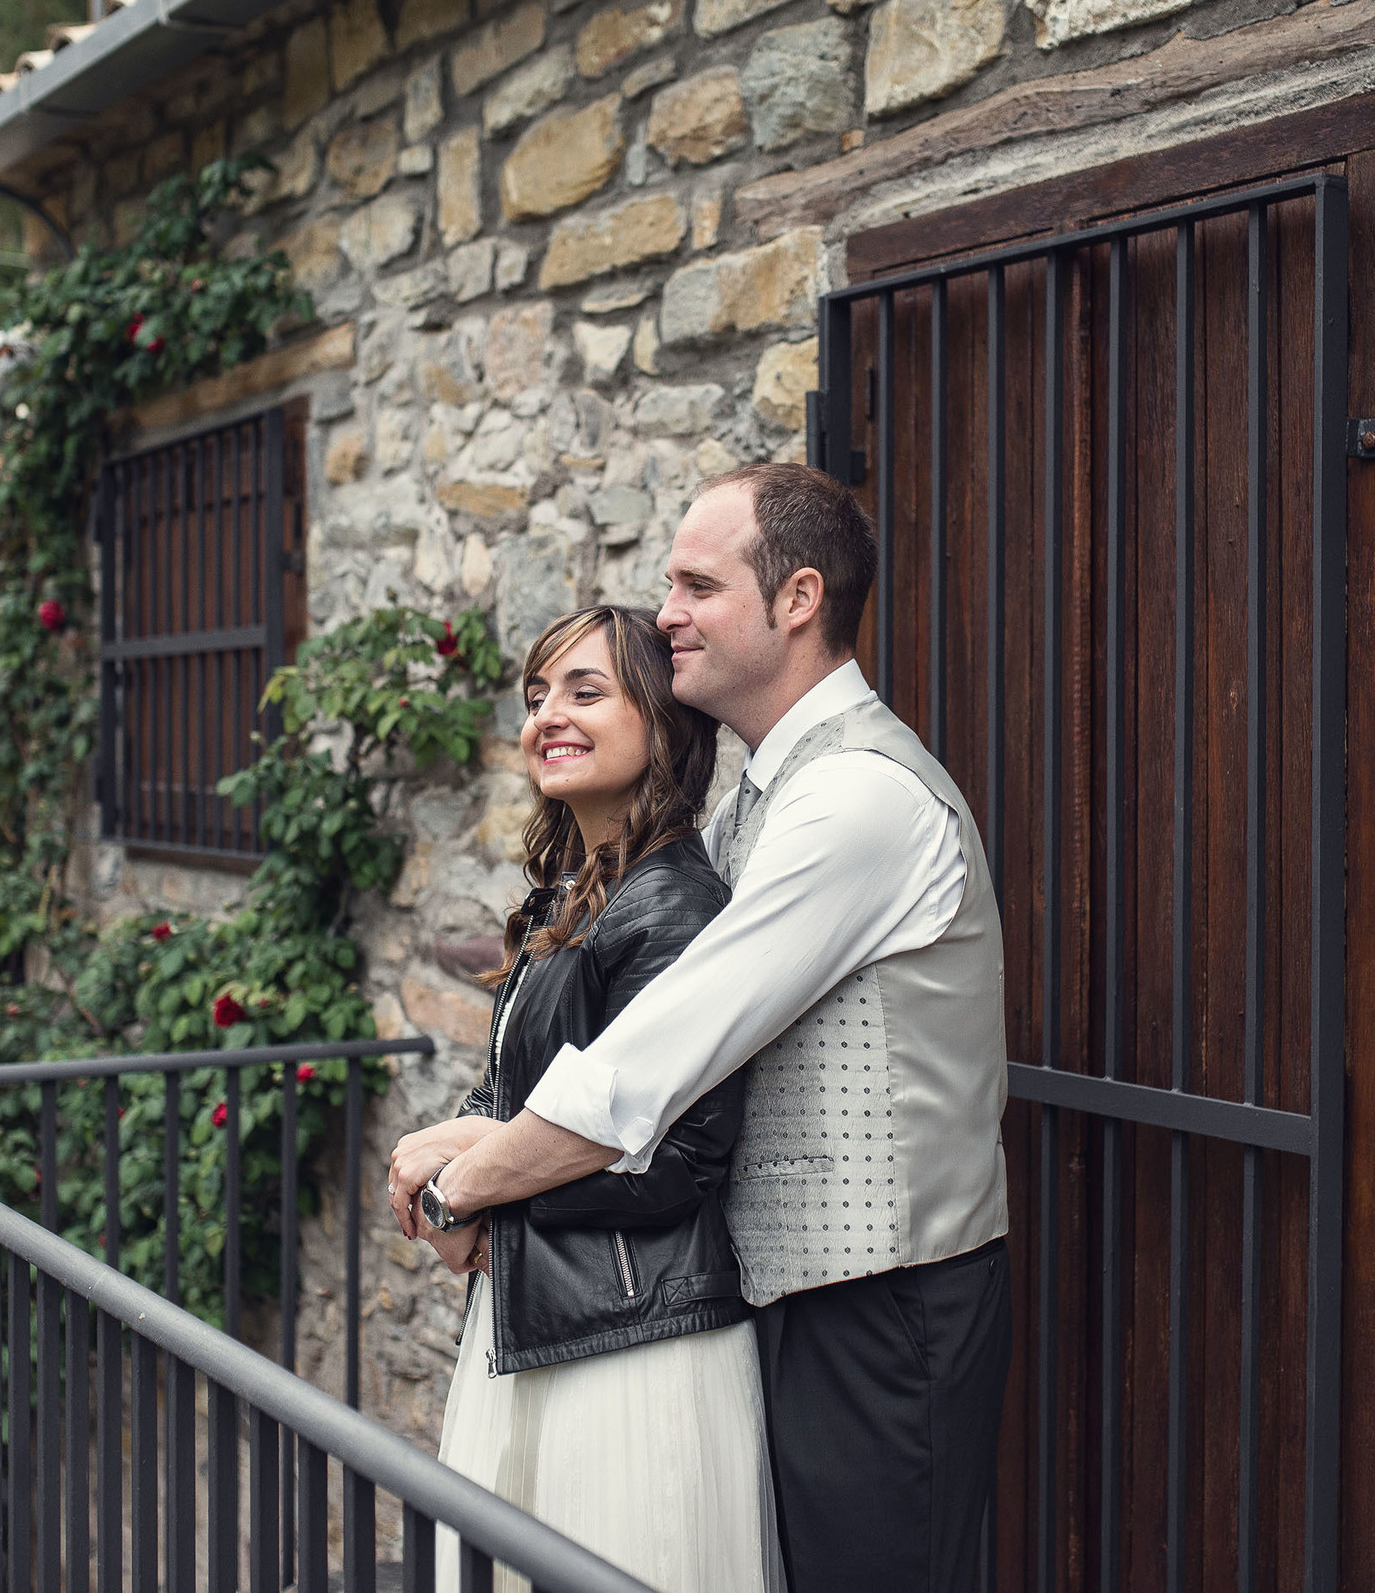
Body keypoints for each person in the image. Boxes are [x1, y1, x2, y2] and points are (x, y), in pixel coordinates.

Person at [393, 465, 1011, 1593]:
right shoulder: (756, 801)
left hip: (881, 1305)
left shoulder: (858, 798)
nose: (666, 609)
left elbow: (648, 1064)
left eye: (695, 584)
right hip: (775, 1299)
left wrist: (468, 1188)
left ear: (797, 599)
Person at [396, 603, 782, 1593]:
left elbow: (684, 1156)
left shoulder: (676, 906)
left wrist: (472, 1194)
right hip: (549, 1309)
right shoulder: (573, 894)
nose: (546, 718)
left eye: (584, 691)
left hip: (632, 1344)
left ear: (658, 718)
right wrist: (458, 1145)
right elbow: (536, 1097)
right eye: (535, 697)